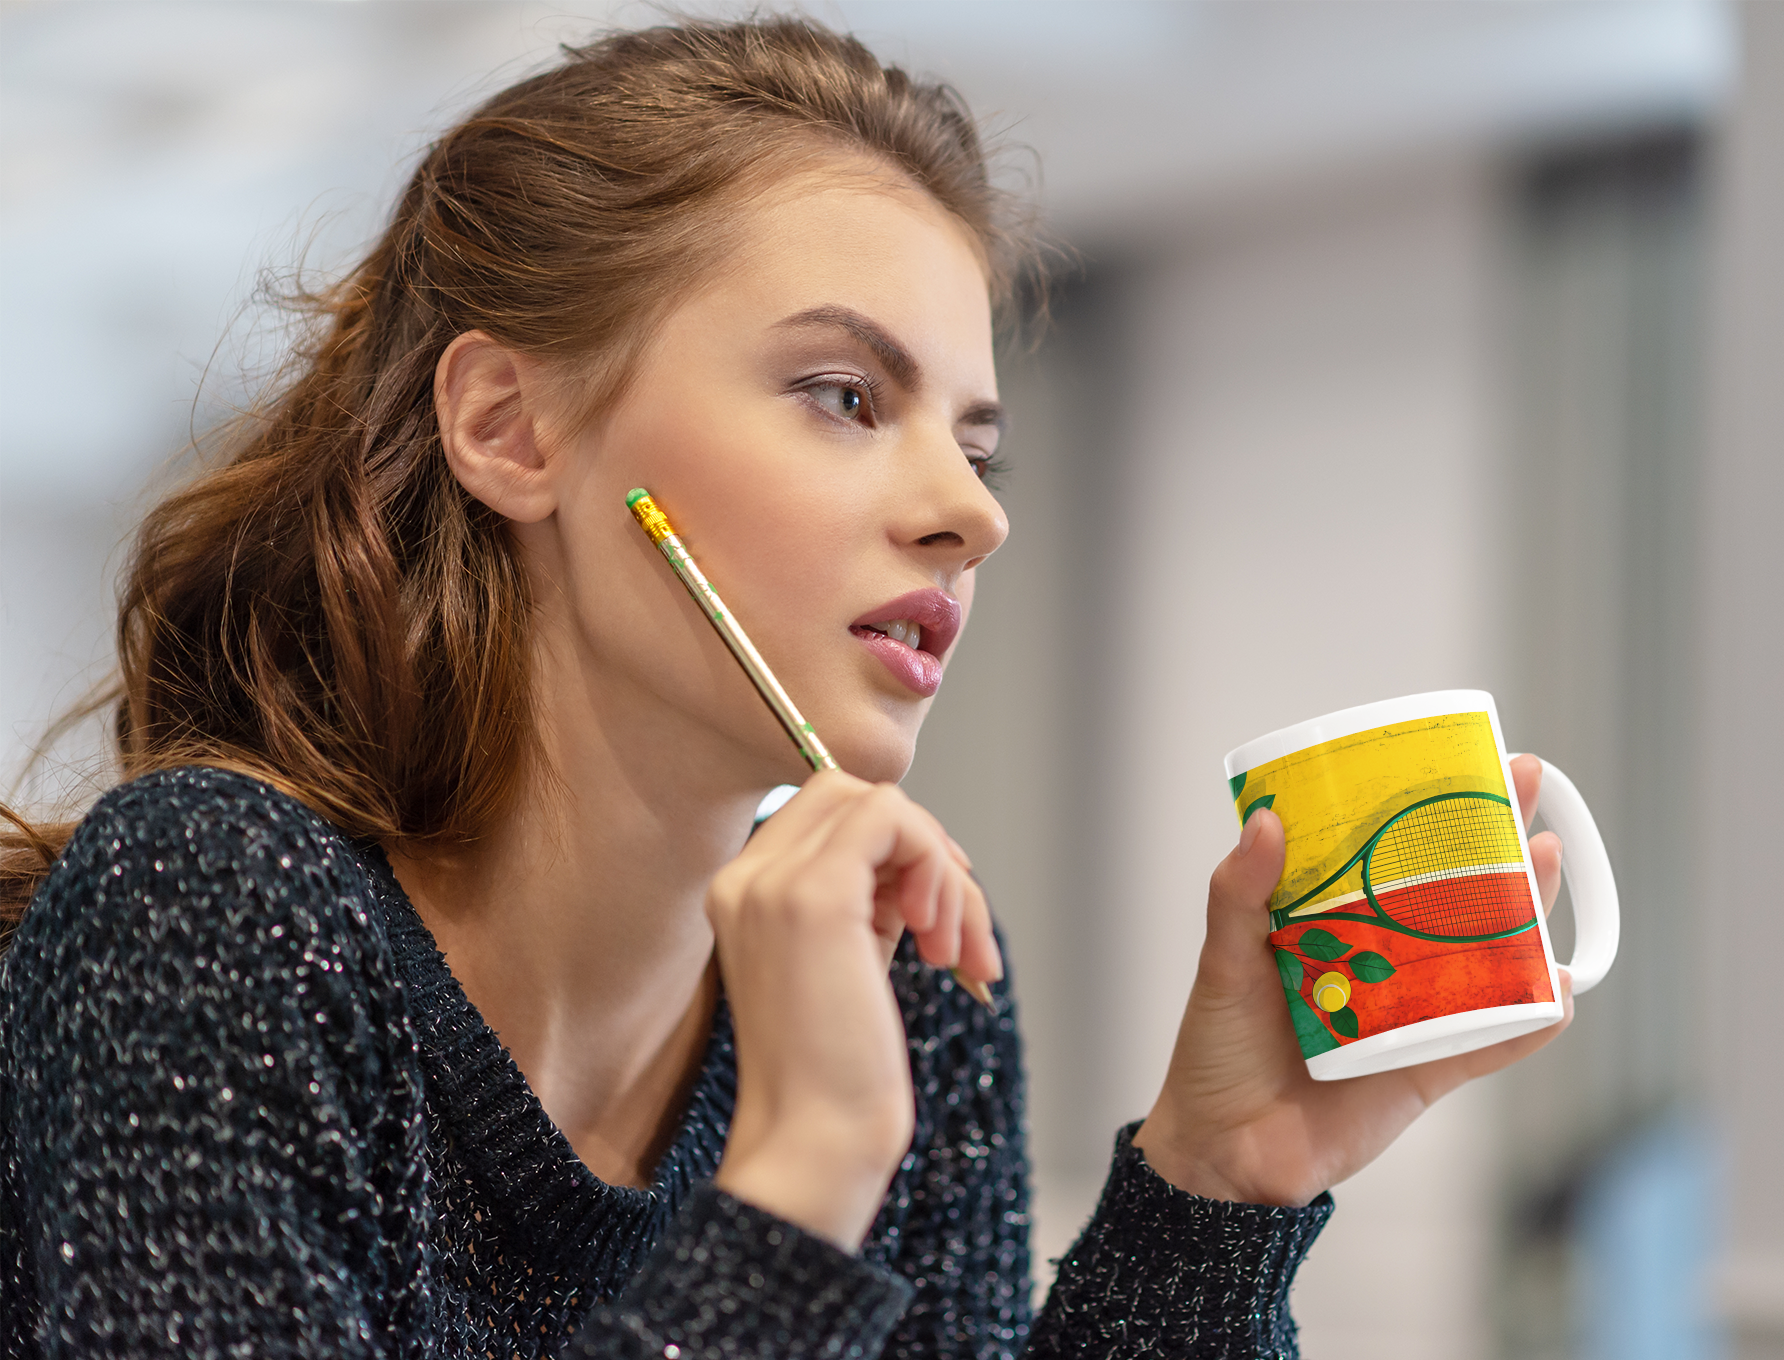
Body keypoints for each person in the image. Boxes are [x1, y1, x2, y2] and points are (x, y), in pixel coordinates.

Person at [0, 17, 1570, 1358]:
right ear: (512, 428)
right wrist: (805, 1175)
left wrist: (1221, 1182)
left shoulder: (904, 995)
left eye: (974, 441)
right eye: (842, 395)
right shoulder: (211, 905)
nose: (975, 514)